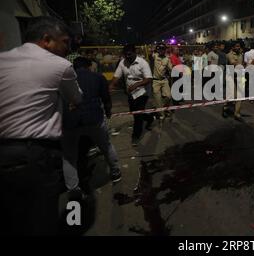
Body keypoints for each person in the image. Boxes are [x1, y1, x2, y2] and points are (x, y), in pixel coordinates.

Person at [0, 16, 83, 235]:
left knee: (12, 218)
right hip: (36, 154)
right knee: (41, 219)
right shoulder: (60, 66)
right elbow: (77, 98)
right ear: (47, 39)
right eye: (65, 42)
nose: (68, 48)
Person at [62, 57, 121, 200]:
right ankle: (115, 172)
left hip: (71, 122)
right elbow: (106, 98)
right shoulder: (97, 77)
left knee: (69, 157)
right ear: (89, 66)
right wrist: (108, 112)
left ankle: (73, 188)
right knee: (106, 146)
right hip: (94, 119)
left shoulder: (65, 79)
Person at [110, 44, 154, 146]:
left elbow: (149, 78)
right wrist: (111, 86)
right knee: (134, 112)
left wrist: (136, 85)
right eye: (125, 55)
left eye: (129, 54)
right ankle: (149, 118)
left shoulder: (143, 63)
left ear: (135, 53)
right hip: (130, 93)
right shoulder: (123, 62)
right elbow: (116, 76)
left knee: (137, 116)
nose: (127, 57)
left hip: (142, 92)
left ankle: (135, 136)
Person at [224, 42, 245, 121]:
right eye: (236, 46)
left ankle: (237, 113)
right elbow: (234, 63)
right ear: (233, 47)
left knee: (239, 96)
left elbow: (242, 64)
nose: (238, 47)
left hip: (239, 76)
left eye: (239, 46)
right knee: (231, 96)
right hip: (231, 77)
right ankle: (225, 108)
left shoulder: (241, 55)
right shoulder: (229, 55)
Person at [152, 44, 173, 120]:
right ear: (157, 50)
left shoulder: (167, 59)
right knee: (157, 99)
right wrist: (153, 48)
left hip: (164, 80)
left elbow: (171, 69)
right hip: (155, 81)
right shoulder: (154, 56)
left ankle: (161, 108)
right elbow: (149, 52)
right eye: (160, 49)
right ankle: (161, 114)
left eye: (163, 49)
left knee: (168, 96)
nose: (161, 50)